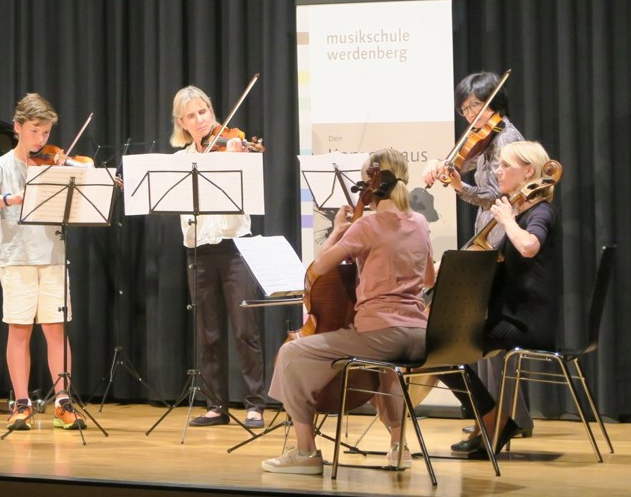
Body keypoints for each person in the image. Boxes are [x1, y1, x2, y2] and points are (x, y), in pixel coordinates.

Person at [262, 148, 434, 475]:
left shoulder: (366, 227)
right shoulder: (421, 222)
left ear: (371, 182)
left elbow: (320, 267)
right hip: (421, 335)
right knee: (385, 367)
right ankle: (399, 447)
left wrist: (340, 231)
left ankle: (306, 453)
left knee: (290, 354)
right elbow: (428, 279)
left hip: (381, 334)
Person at [0, 93, 87, 431]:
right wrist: (10, 198)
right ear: (18, 127)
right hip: (17, 258)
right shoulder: (3, 166)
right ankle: (22, 403)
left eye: (46, 133)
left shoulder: (54, 165)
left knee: (55, 329)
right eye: (35, 131)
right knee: (19, 330)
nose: (41, 140)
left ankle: (63, 402)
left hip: (52, 254)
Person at [423, 71, 533, 436]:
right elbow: (463, 163)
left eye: (475, 106)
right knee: (479, 333)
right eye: (465, 109)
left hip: (502, 235)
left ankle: (502, 419)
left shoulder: (507, 141)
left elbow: (494, 196)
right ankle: (498, 418)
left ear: (493, 103)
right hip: (489, 235)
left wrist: (459, 188)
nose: (470, 115)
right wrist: (444, 166)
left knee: (481, 334)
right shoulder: (486, 139)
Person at [441, 140, 562, 458]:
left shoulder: (541, 211)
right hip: (512, 316)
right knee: (457, 344)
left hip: (527, 322)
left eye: (505, 165)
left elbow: (530, 247)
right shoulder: (520, 210)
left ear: (529, 172)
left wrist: (507, 220)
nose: (497, 170)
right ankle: (494, 423)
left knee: (448, 349)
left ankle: (493, 422)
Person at [169, 86, 266, 429]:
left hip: (235, 248)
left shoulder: (233, 147)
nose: (200, 119)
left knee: (245, 331)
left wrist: (241, 156)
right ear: (181, 122)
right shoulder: (180, 161)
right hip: (197, 250)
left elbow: (253, 192)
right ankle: (215, 405)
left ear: (212, 111)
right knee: (208, 334)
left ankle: (255, 405)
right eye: (191, 115)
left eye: (204, 111)